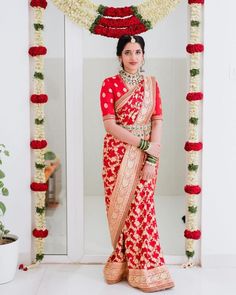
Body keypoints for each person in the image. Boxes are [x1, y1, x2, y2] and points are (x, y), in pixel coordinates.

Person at [99, 34, 175, 292]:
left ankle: (146, 267)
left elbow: (157, 122)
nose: (133, 57)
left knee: (143, 210)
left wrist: (151, 158)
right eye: (128, 52)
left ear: (144, 55)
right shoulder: (109, 84)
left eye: (138, 52)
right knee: (122, 211)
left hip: (146, 156)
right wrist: (142, 145)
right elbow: (110, 125)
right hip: (116, 155)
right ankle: (122, 262)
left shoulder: (152, 85)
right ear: (119, 55)